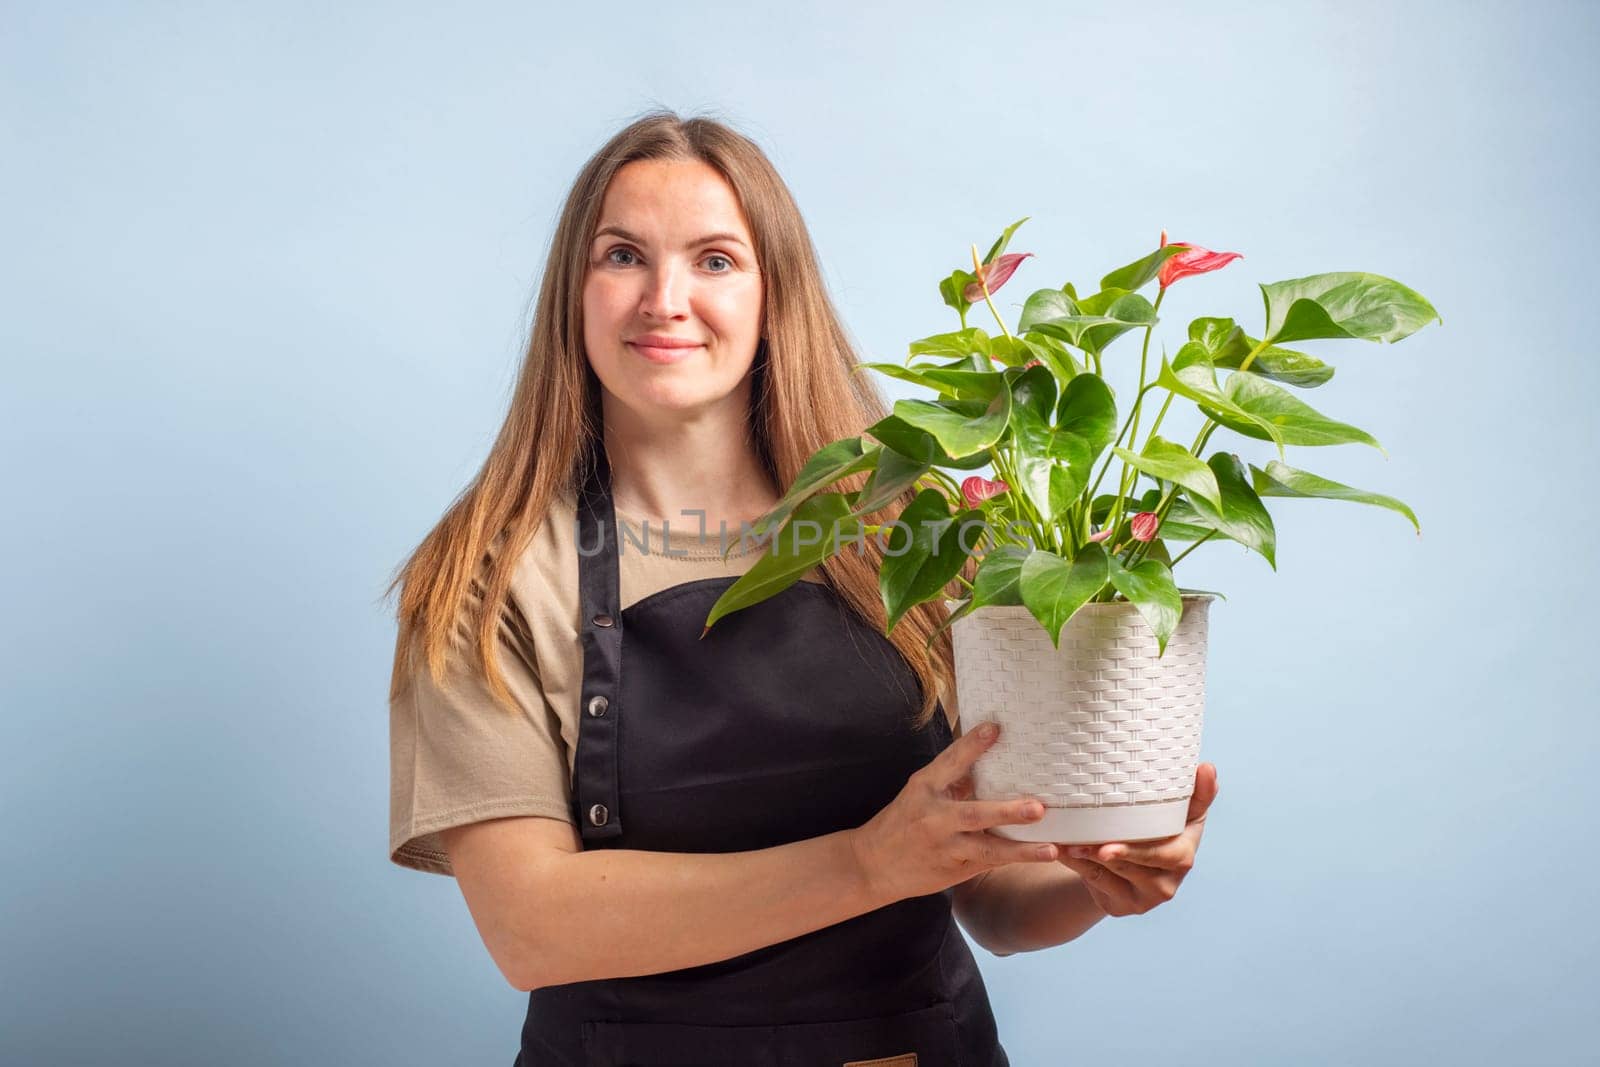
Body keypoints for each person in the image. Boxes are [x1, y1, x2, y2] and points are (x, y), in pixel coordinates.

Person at [385, 109, 1218, 1067]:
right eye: (622, 255)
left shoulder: (911, 529)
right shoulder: (484, 580)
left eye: (715, 260)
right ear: (572, 291)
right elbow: (533, 928)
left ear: (776, 292)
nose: (665, 299)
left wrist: (1096, 877)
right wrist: (867, 863)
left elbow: (993, 892)